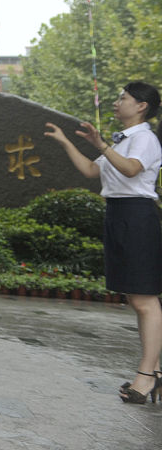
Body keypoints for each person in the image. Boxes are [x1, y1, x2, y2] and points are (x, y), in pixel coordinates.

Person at [44, 83, 162, 405]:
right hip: (119, 215)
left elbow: (132, 169)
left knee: (145, 300)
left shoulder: (145, 140)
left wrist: (101, 144)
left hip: (137, 217)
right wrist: (67, 142)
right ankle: (152, 371)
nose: (116, 102)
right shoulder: (123, 141)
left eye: (122, 98)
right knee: (137, 299)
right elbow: (90, 170)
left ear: (142, 106)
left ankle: (148, 376)